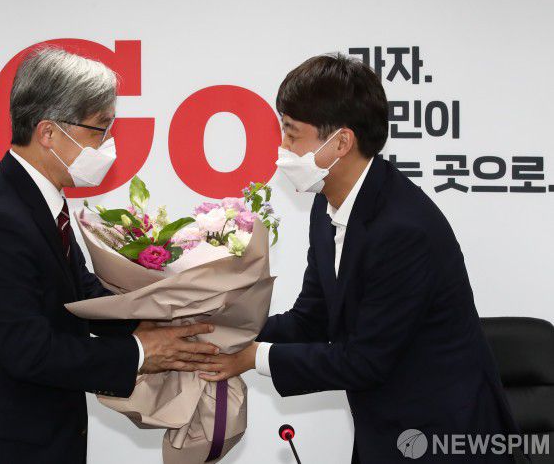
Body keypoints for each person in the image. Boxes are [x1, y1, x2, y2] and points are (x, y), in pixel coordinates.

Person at [200, 53, 521, 463]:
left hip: (447, 434)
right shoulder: (327, 204)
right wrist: (226, 330)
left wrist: (252, 357)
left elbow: (365, 360)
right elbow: (312, 318)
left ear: (341, 142)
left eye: (292, 134)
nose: (282, 148)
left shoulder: (403, 228)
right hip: (385, 430)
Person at [0, 47, 216, 464]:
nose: (108, 144)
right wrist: (141, 352)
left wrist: (154, 319)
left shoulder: (37, 202)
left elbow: (81, 296)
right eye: (99, 129)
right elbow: (30, 352)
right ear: (48, 133)